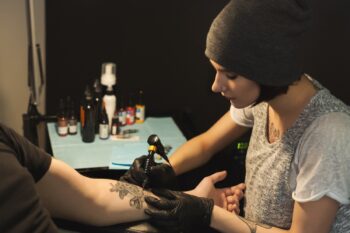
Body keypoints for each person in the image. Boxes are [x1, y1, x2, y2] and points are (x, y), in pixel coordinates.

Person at [122, 0, 350, 232]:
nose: (216, 85)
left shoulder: (329, 134)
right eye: (217, 71)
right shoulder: (264, 97)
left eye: (230, 75)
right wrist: (164, 169)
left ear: (269, 71)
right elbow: (205, 144)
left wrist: (209, 213)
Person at [0, 122, 242, 232]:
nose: (215, 86)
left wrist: (191, 199)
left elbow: (90, 197)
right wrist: (209, 214)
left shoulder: (5, 141)